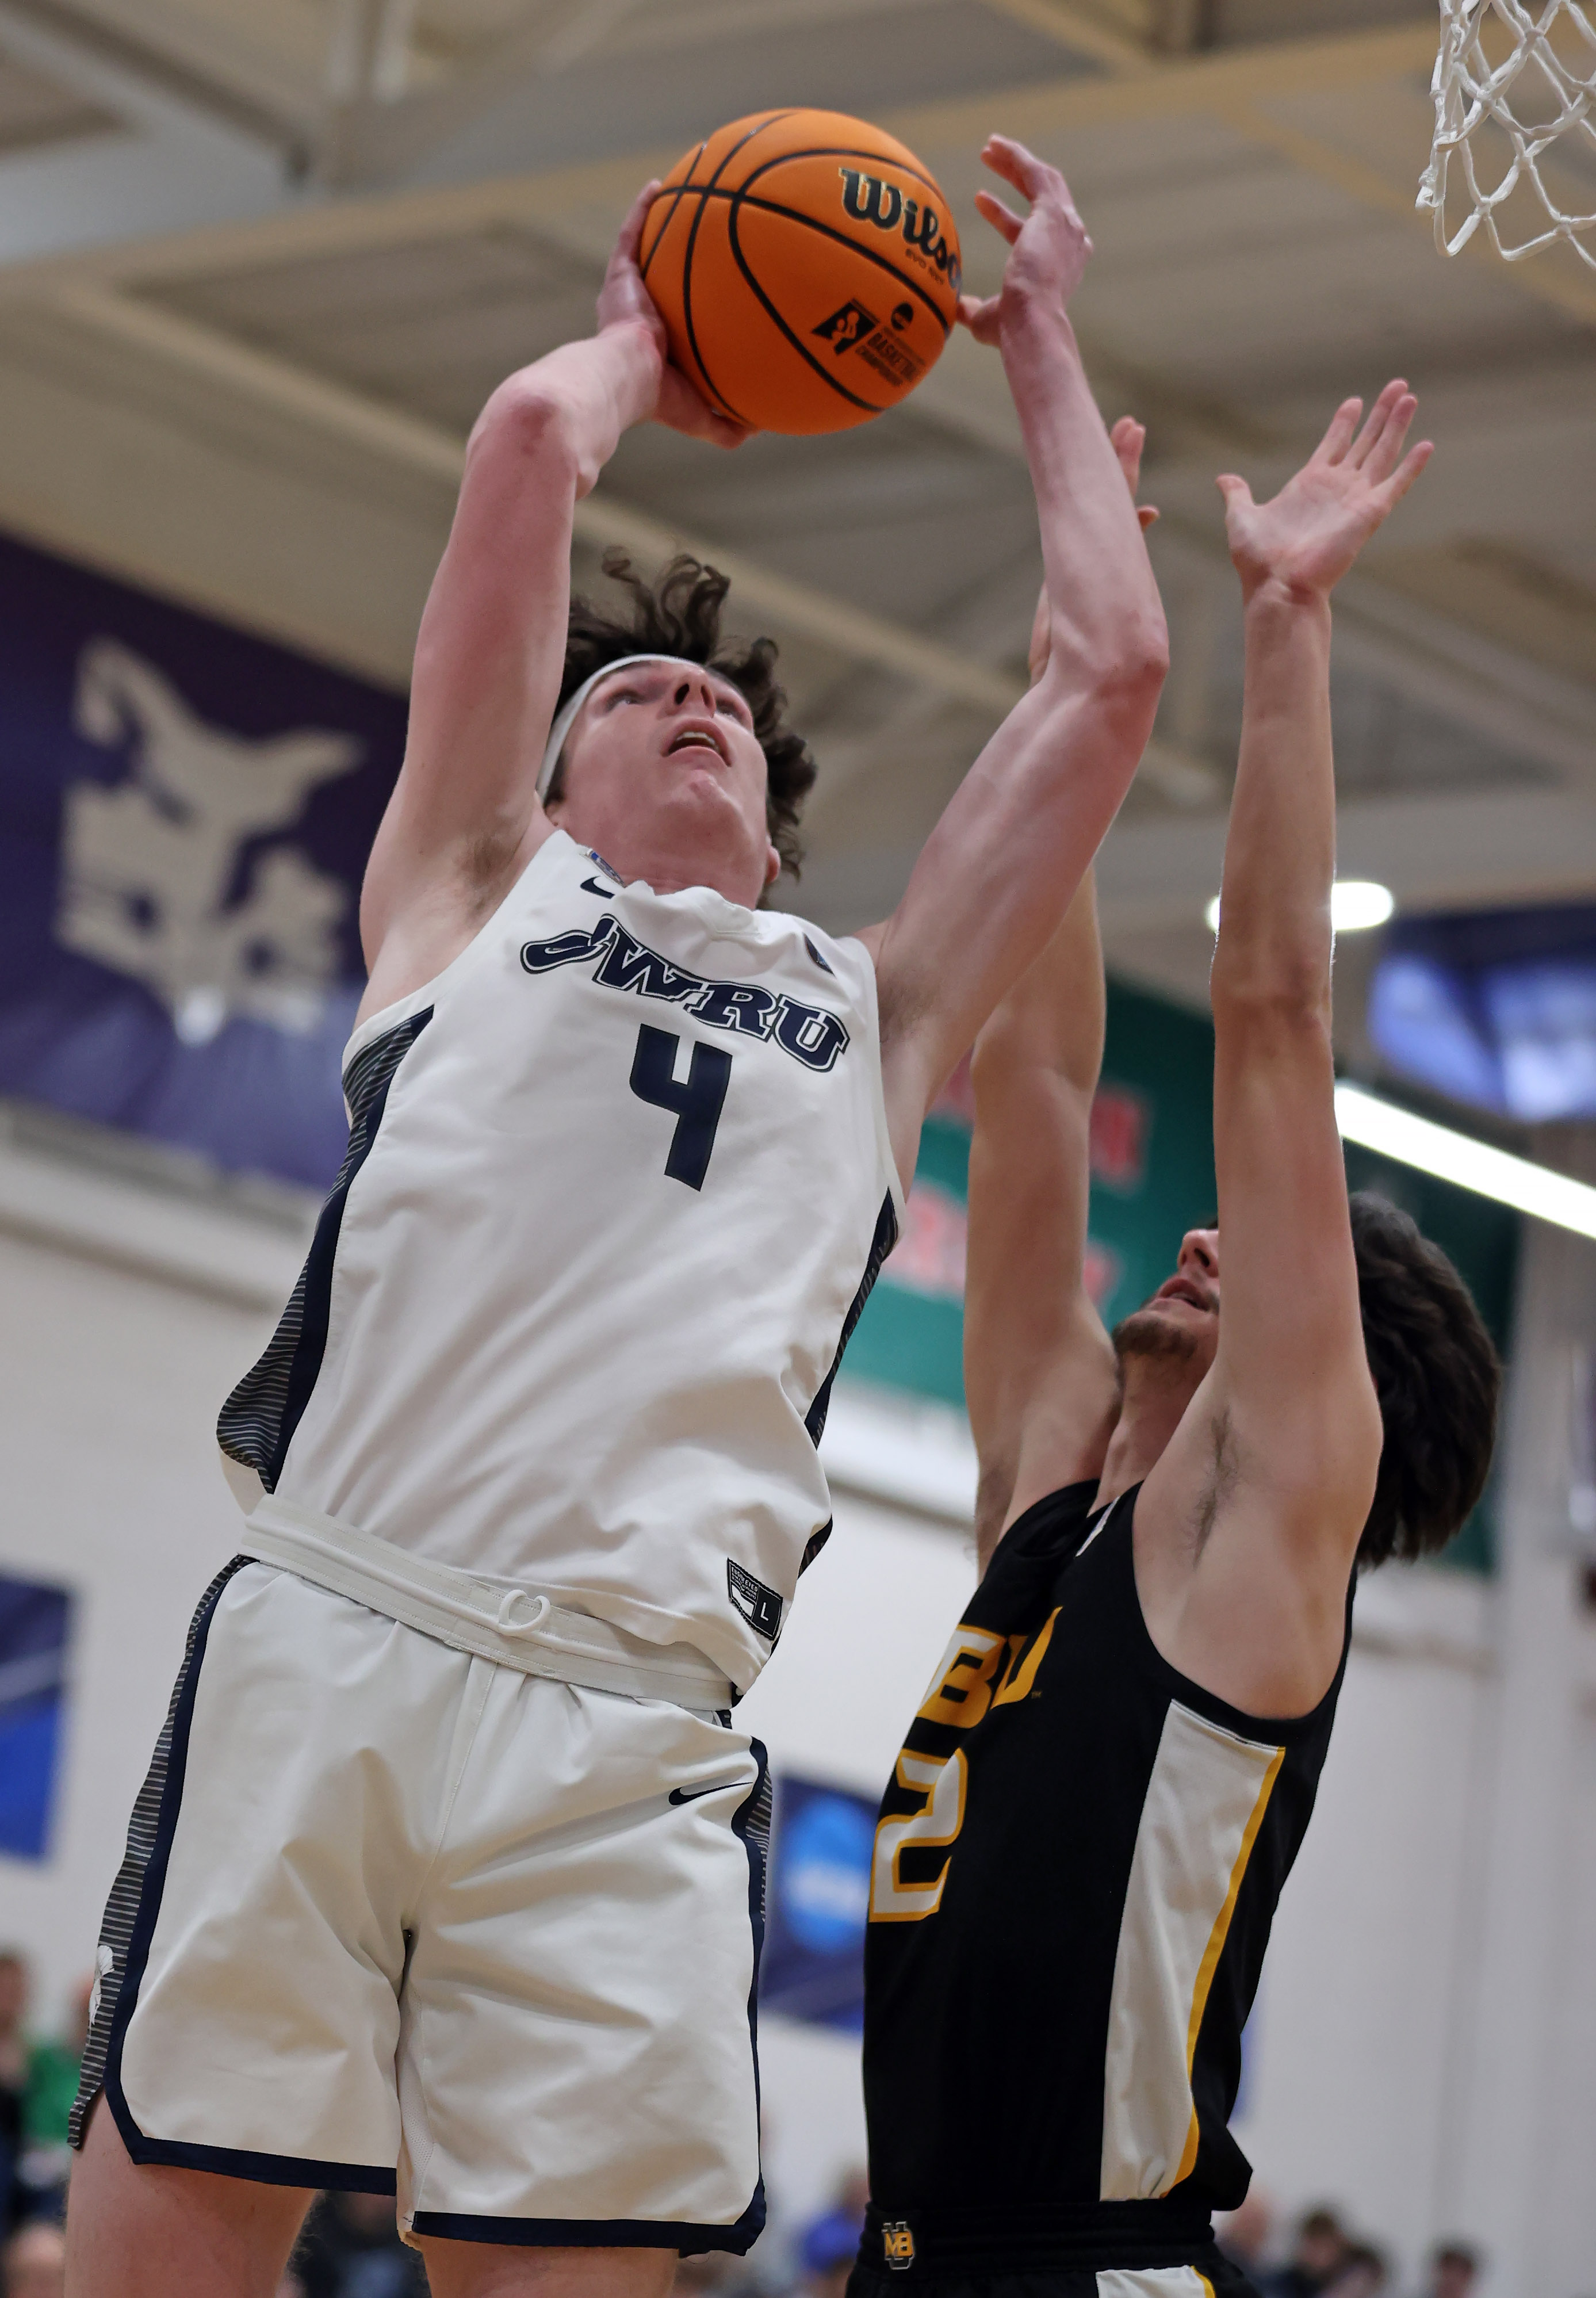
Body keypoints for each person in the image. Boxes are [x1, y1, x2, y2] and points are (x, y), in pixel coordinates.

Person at [64, 135, 1167, 2298]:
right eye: (635, 695)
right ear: (544, 785)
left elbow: (1109, 678)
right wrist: (644, 340)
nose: (694, 705)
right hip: (342, 1632)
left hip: (636, 1729)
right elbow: (525, 449)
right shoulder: (472, 894)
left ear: (767, 838)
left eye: (730, 714)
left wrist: (1037, 346)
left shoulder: (881, 1012)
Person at [852, 382, 1502, 2298]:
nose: (1211, 1230)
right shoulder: (1048, 1495)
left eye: (1300, 1269)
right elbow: (1034, 1065)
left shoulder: (1262, 1548)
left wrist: (1283, 621)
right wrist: (1077, 688)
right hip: (908, 2256)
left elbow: (1274, 1000)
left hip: (1093, 2265)